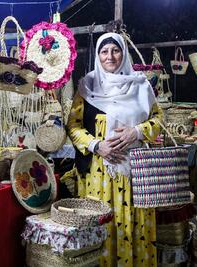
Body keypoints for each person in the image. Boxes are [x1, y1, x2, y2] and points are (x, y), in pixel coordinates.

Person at [67, 32, 163, 267]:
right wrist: (96, 145)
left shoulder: (140, 85)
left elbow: (159, 120)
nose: (110, 56)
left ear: (123, 52)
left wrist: (137, 132)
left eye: (115, 50)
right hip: (98, 176)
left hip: (136, 175)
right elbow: (73, 125)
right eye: (104, 51)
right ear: (98, 55)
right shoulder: (87, 86)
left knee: (135, 226)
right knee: (102, 225)